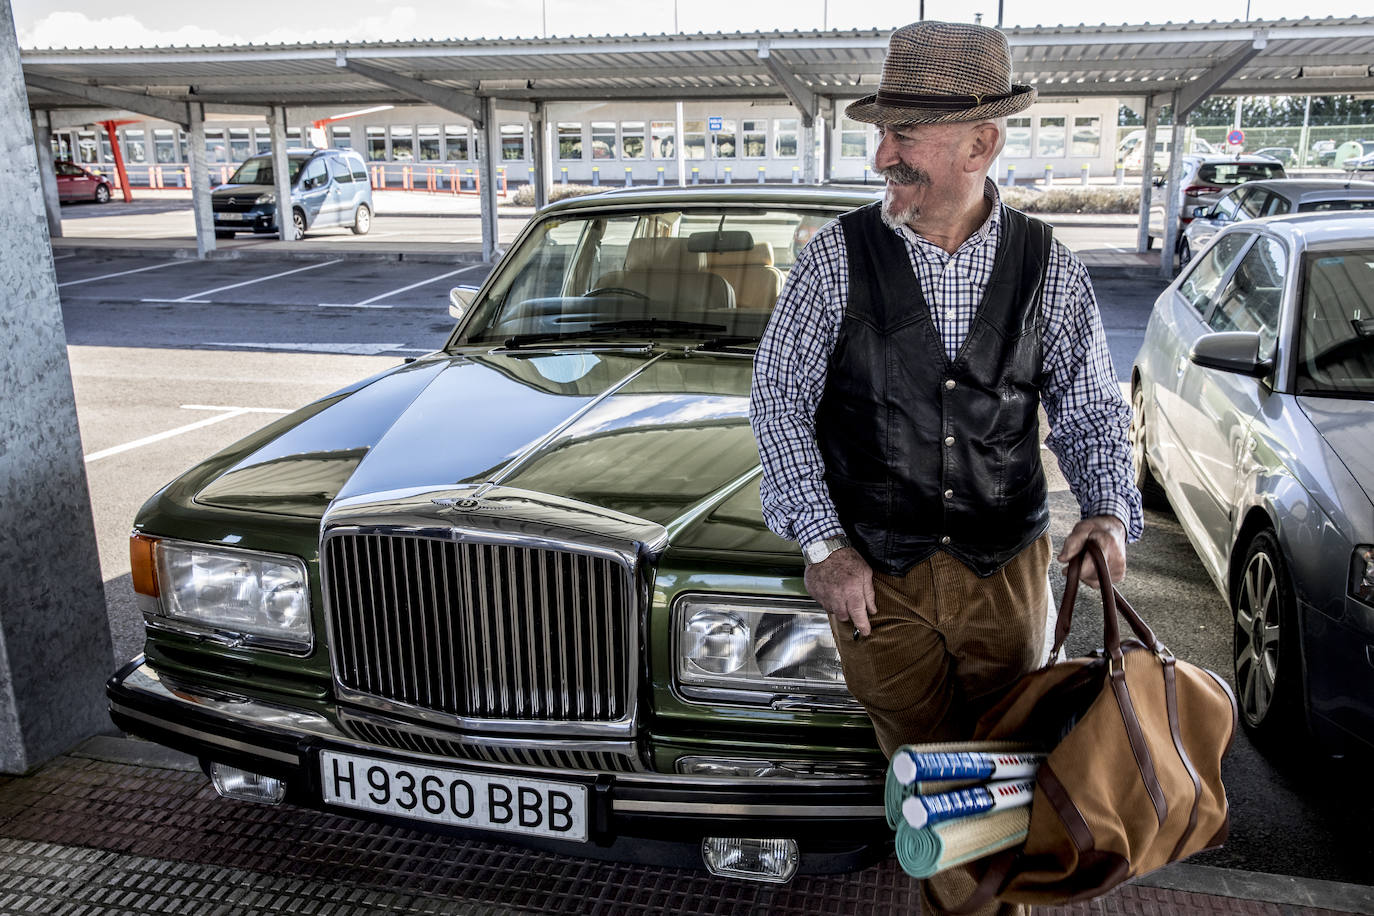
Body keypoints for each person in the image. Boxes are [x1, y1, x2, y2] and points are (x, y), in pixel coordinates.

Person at [748, 20, 1143, 916]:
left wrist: (1110, 512)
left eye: (905, 136)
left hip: (1006, 575)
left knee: (1006, 779)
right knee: (934, 785)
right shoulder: (834, 261)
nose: (882, 154)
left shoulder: (1048, 266)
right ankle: (972, 901)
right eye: (881, 133)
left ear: (982, 142)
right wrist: (822, 544)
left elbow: (1087, 408)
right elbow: (778, 403)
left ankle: (974, 902)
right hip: (875, 586)